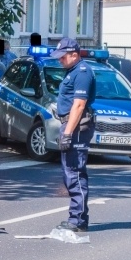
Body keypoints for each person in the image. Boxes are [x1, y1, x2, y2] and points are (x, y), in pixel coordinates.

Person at [52, 37, 96, 233]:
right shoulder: (73, 71)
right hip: (71, 125)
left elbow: (79, 105)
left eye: (63, 57)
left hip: (77, 127)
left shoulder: (82, 73)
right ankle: (78, 218)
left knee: (75, 172)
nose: (59, 60)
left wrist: (68, 133)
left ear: (74, 54)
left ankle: (77, 220)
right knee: (70, 172)